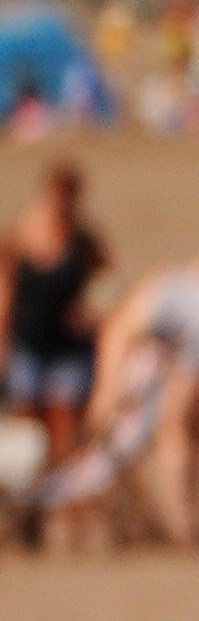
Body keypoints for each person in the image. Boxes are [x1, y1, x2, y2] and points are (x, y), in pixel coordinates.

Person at [53, 255, 199, 551]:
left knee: (176, 431)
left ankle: (188, 527)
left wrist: (80, 444)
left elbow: (105, 398)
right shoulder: (164, 284)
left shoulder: (123, 320)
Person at [6, 163, 109, 491]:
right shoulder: (21, 233)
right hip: (28, 345)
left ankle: (61, 503)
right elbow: (5, 289)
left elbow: (111, 283)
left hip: (68, 350)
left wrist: (91, 312)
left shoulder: (84, 240)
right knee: (27, 433)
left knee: (64, 426)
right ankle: (28, 511)